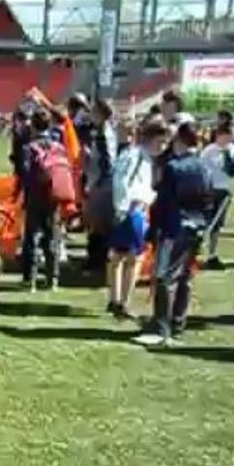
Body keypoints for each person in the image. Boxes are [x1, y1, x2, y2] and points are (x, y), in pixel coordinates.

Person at [135, 117, 212, 347]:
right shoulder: (204, 166)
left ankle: (161, 327)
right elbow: (209, 200)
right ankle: (178, 323)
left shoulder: (172, 167)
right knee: (185, 278)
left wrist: (153, 229)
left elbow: (164, 203)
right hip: (196, 226)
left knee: (164, 277)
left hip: (174, 227)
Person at [107, 117, 166, 320]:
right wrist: (126, 207)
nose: (162, 146)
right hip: (133, 211)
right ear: (151, 139)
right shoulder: (138, 157)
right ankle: (124, 301)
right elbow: (123, 182)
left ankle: (115, 298)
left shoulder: (130, 154)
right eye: (160, 142)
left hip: (126, 209)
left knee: (117, 256)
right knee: (134, 258)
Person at [18, 108, 64, 292]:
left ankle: (30, 277)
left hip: (35, 195)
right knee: (52, 237)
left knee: (32, 237)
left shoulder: (29, 148)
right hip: (53, 195)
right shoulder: (58, 147)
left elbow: (25, 172)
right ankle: (53, 278)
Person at [200, 120, 234, 269]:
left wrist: (227, 154)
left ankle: (212, 254)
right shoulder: (208, 151)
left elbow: (232, 170)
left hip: (224, 190)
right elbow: (202, 170)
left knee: (217, 224)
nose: (227, 139)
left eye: (229, 135)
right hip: (209, 190)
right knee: (206, 222)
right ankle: (199, 251)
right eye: (224, 135)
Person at [84, 98, 117, 273]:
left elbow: (107, 162)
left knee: (98, 226)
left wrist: (96, 183)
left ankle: (96, 262)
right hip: (104, 183)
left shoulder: (103, 134)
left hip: (101, 185)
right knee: (100, 225)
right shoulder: (106, 131)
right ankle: (99, 261)